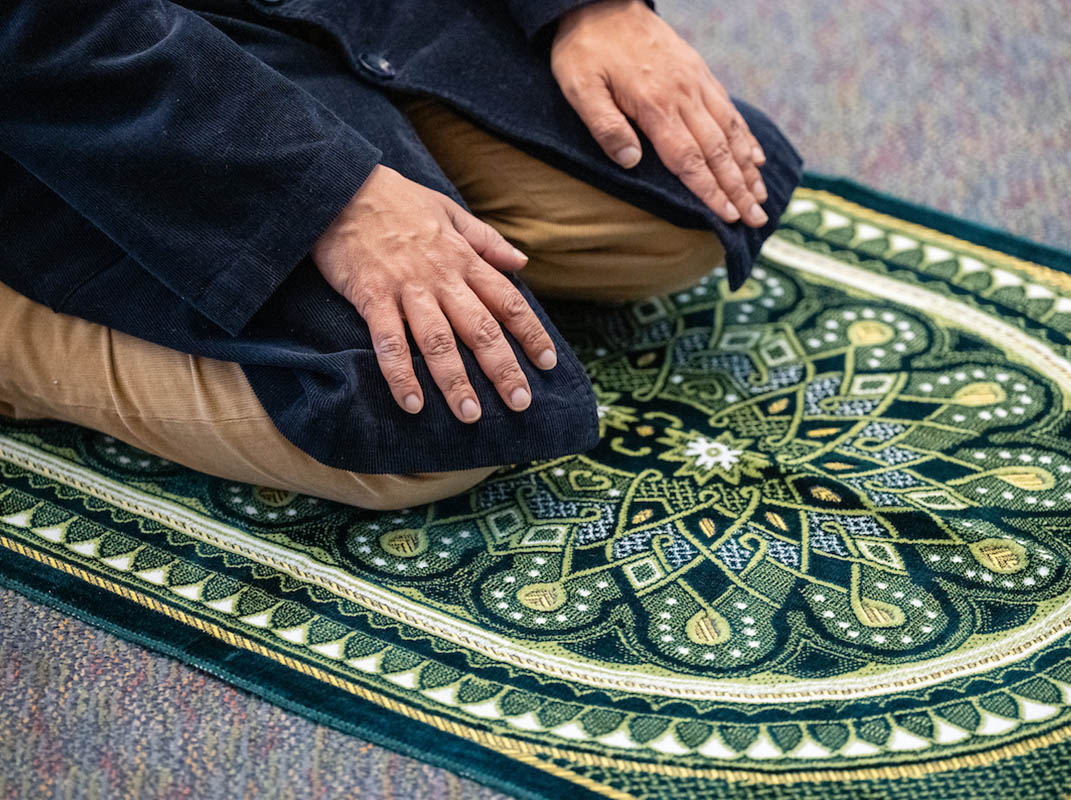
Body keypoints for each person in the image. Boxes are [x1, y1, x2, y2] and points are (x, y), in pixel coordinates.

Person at [0, 0, 804, 509]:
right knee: (425, 423)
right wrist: (324, 193)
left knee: (698, 204)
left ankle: (411, 197)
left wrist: (589, 8)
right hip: (65, 66)